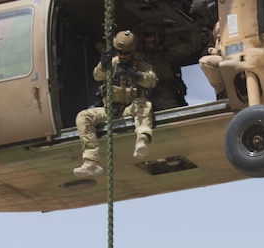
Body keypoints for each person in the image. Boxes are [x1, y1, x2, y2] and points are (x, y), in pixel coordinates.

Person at [73, 31, 157, 178]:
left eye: (126, 53)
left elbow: (152, 81)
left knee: (143, 103)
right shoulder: (112, 63)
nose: (123, 56)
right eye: (120, 53)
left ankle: (142, 139)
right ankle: (91, 161)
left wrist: (135, 75)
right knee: (83, 117)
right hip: (110, 111)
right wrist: (103, 65)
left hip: (129, 110)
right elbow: (97, 76)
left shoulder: (141, 65)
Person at [137, 24, 203, 111]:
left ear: (159, 37)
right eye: (146, 36)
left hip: (166, 96)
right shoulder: (138, 57)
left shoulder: (167, 55)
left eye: (150, 36)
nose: (147, 40)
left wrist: (196, 28)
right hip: (145, 98)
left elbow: (192, 47)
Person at [199, 21, 226, 99]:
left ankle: (224, 92)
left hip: (234, 59)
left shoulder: (224, 22)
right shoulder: (218, 40)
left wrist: (214, 51)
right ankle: (223, 94)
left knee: (205, 62)